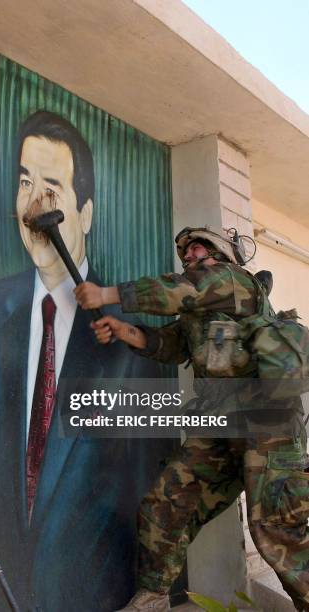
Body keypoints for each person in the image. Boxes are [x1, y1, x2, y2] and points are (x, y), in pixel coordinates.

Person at [0, 111, 168, 612]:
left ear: (84, 213)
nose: (34, 201)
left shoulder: (131, 331)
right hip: (3, 592)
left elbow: (148, 480)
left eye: (52, 186)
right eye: (25, 182)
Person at [75, 227, 309, 612]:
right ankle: (153, 597)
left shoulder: (232, 280)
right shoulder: (200, 313)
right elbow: (169, 344)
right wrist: (123, 331)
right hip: (220, 426)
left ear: (220, 253)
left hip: (268, 426)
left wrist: (106, 295)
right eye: (184, 255)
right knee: (165, 503)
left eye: (196, 248)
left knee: (275, 529)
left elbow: (179, 290)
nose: (188, 257)